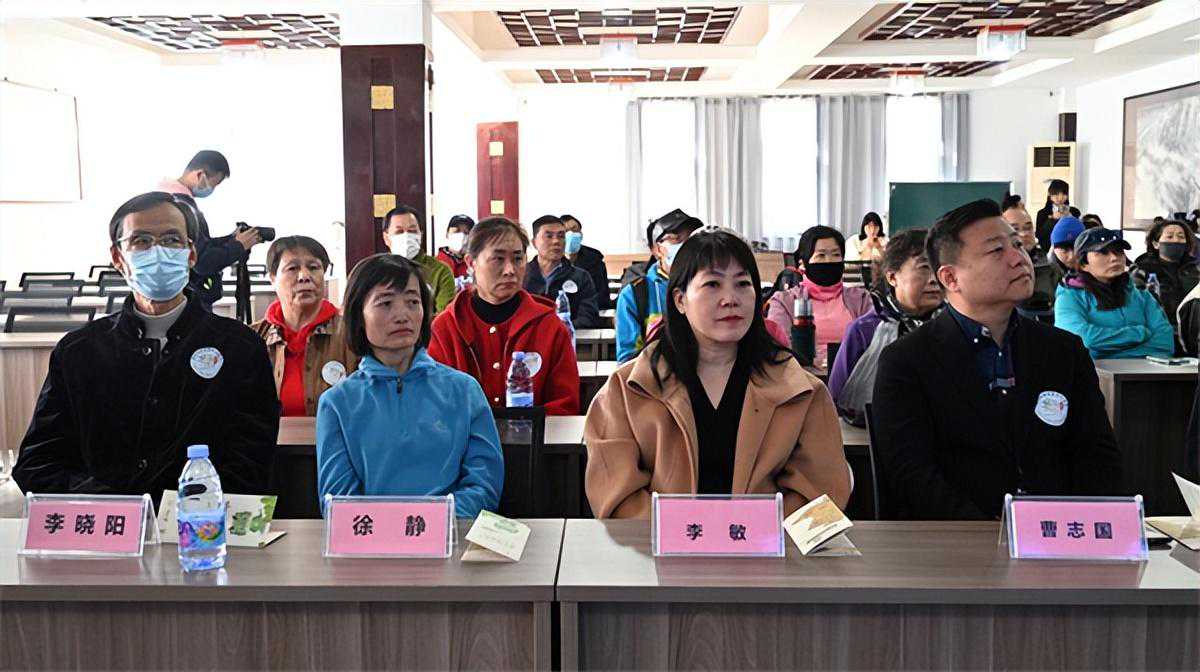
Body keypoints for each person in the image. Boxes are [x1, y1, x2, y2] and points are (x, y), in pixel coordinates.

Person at [14, 192, 280, 499]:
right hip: (105, 525)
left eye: (171, 240)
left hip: (201, 525)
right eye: (140, 241)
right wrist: (116, 507)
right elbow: (37, 463)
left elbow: (252, 463)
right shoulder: (78, 352)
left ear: (191, 254)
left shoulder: (240, 348)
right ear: (118, 258)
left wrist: (186, 511)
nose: (158, 252)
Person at [872, 199, 1123, 520]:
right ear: (950, 278)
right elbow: (911, 474)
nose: (1019, 258)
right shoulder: (906, 361)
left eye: (1017, 245)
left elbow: (1098, 457)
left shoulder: (1064, 351)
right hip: (955, 541)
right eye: (996, 250)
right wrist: (988, 532)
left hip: (1056, 535)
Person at [584, 227, 851, 519]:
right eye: (712, 284)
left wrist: (748, 535)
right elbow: (615, 495)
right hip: (657, 547)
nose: (730, 299)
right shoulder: (627, 390)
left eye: (743, 284)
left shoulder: (802, 392)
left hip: (771, 547)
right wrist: (689, 535)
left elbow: (822, 497)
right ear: (680, 300)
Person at [316, 254, 503, 519]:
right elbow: (337, 501)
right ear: (358, 315)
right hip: (371, 539)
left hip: (450, 533)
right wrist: (395, 529)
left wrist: (433, 523)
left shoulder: (464, 390)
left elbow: (484, 485)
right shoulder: (337, 403)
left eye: (413, 302)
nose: (402, 315)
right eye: (385, 303)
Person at [428, 217, 580, 415]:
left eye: (518, 259)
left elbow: (565, 405)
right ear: (471, 263)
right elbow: (435, 406)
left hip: (537, 435)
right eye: (498, 259)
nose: (510, 270)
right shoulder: (446, 327)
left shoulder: (549, 326)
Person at [828, 229, 942, 426]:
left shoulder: (955, 327)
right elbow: (834, 400)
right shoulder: (865, 330)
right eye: (924, 267)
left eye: (938, 267)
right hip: (869, 437)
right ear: (892, 277)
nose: (934, 279)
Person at [251, 236, 358, 417]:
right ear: (272, 278)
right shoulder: (251, 338)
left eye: (314, 267)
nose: (304, 276)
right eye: (292, 268)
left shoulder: (353, 334)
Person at [157, 150, 264, 311]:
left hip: (172, 295)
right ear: (200, 175)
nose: (213, 189)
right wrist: (238, 246)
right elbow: (202, 262)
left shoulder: (163, 200)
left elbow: (198, 245)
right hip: (189, 300)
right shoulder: (182, 206)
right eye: (214, 183)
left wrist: (231, 239)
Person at [1055, 227, 1174, 360]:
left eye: (1118, 251)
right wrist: (1139, 333)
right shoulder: (1069, 296)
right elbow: (1080, 339)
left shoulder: (1141, 295)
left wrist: (1113, 355)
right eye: (1103, 252)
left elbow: (1165, 343)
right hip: (1092, 372)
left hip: (1144, 371)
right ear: (1084, 264)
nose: (1114, 258)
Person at [765, 226, 872, 368]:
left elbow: (873, 344)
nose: (829, 261)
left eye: (836, 255)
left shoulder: (862, 299)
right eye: (821, 255)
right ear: (803, 263)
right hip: (802, 376)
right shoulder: (783, 302)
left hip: (853, 375)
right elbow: (780, 349)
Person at [615, 208, 703, 363]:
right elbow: (627, 361)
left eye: (691, 239)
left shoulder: (710, 287)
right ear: (656, 249)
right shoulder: (634, 294)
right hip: (654, 375)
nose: (686, 246)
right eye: (675, 239)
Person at [1131, 219, 1199, 350]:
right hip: (1157, 336)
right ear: (1156, 243)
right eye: (1169, 236)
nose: (1176, 240)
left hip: (1191, 336)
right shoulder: (1142, 269)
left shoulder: (1195, 270)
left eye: (1181, 237)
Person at [523, 215, 601, 328]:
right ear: (534, 243)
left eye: (561, 236)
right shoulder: (521, 276)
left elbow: (588, 318)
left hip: (568, 336)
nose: (556, 241)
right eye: (549, 236)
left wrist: (557, 330)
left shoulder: (581, 277)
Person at [381, 205, 455, 314]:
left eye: (412, 231)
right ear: (386, 238)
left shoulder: (440, 271)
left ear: (421, 235)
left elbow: (444, 316)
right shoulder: (376, 272)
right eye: (399, 232)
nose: (406, 237)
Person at [1003, 195, 1057, 318]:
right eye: (1015, 229)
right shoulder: (996, 272)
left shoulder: (1050, 268)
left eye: (1028, 228)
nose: (1024, 233)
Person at [562, 214, 612, 311]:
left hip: (590, 311)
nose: (571, 234)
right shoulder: (553, 260)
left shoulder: (595, 260)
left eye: (574, 229)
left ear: (581, 234)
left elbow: (603, 296)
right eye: (566, 231)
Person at [1034, 179, 1082, 253]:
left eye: (1064, 194)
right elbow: (1039, 235)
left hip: (1070, 249)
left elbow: (1080, 232)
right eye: (1056, 194)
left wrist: (1070, 217)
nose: (1060, 197)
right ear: (1049, 194)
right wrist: (1052, 220)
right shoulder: (1042, 213)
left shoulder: (1074, 211)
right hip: (1048, 249)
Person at [436, 214, 474, 287]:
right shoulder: (438, 264)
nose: (462, 236)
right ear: (447, 234)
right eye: (457, 231)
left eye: (466, 232)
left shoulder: (475, 263)